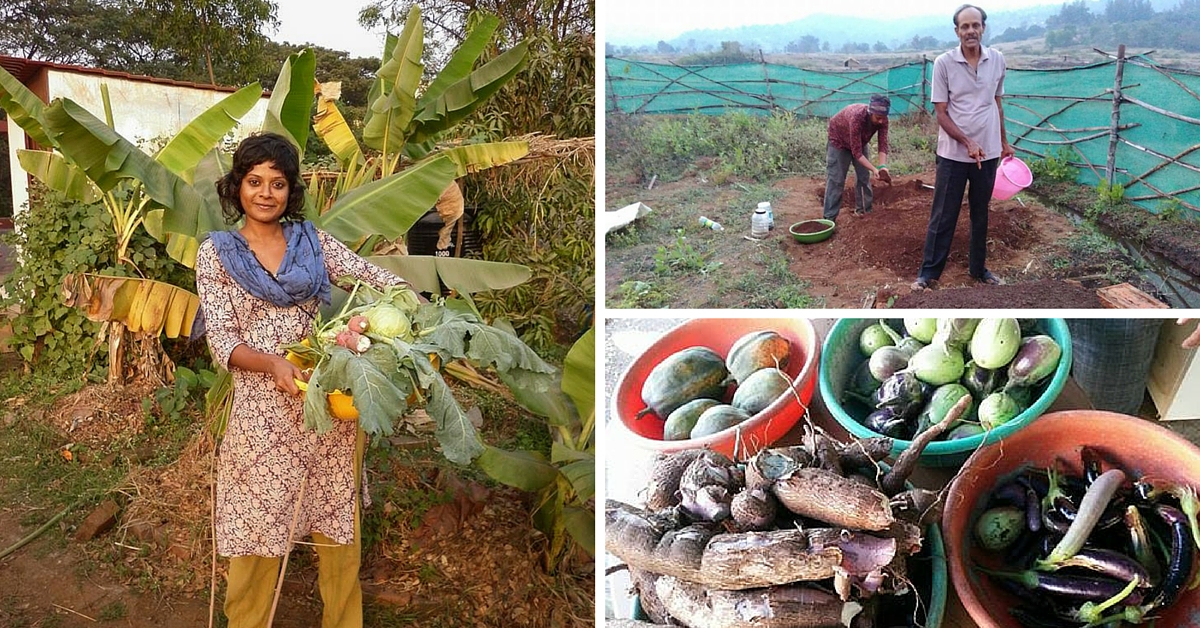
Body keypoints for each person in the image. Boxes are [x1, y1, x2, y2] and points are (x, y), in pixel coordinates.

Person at [195, 132, 410, 628]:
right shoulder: (218, 253)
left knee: (337, 525)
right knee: (257, 529)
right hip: (261, 416)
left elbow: (371, 277)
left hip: (325, 406)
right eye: (254, 181)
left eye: (278, 183)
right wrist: (271, 364)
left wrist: (408, 303)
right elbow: (222, 341)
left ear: (291, 190)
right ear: (237, 187)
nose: (266, 193)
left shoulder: (312, 242)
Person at [913, 4, 1014, 291]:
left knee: (981, 211)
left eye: (976, 25)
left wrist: (1004, 142)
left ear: (983, 28)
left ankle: (978, 269)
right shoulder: (944, 63)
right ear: (956, 31)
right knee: (944, 213)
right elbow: (941, 113)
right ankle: (928, 275)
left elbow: (997, 102)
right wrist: (967, 142)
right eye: (965, 26)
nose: (971, 31)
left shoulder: (997, 60)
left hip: (990, 152)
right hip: (953, 154)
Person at [823, 94, 891, 221]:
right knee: (836, 179)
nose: (881, 121)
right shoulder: (857, 117)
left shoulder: (883, 119)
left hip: (859, 141)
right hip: (839, 141)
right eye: (878, 118)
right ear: (871, 113)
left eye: (883, 118)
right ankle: (829, 219)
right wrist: (874, 170)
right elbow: (857, 153)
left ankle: (864, 211)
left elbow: (883, 144)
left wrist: (882, 167)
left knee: (863, 177)